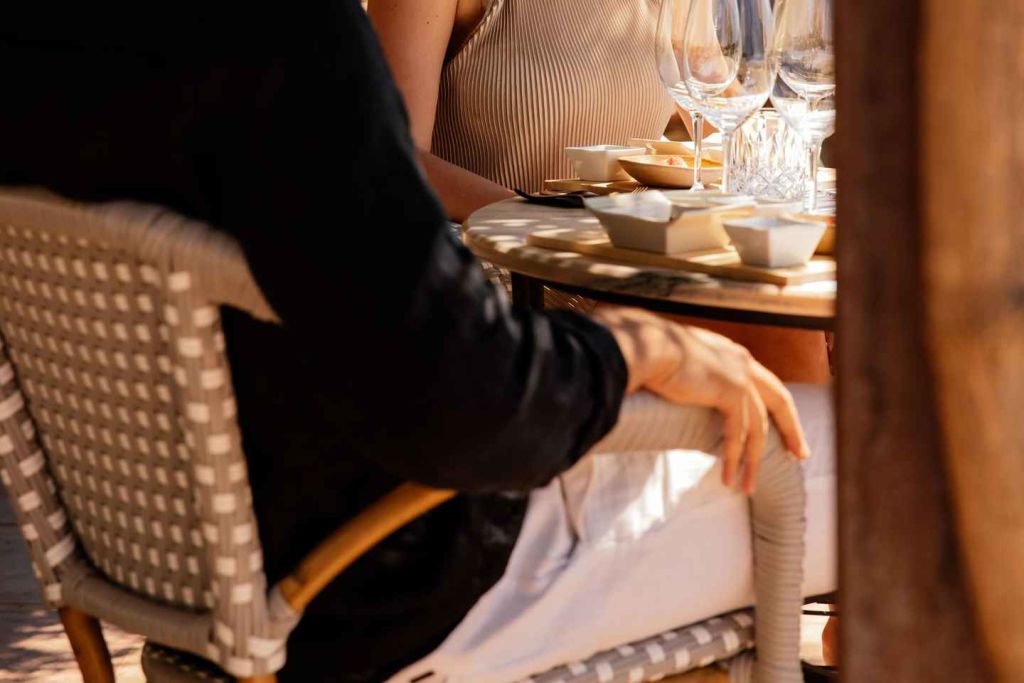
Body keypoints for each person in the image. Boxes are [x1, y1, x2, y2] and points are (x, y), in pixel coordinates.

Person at [0, 2, 831, 681]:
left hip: (205, 568)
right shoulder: (282, 38)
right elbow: (459, 405)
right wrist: (632, 351)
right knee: (860, 453)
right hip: (395, 586)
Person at [368, 0, 832, 383]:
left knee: (791, 323)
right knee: (768, 331)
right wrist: (551, 217)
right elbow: (396, 158)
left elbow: (725, 114)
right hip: (498, 262)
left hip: (626, 251)